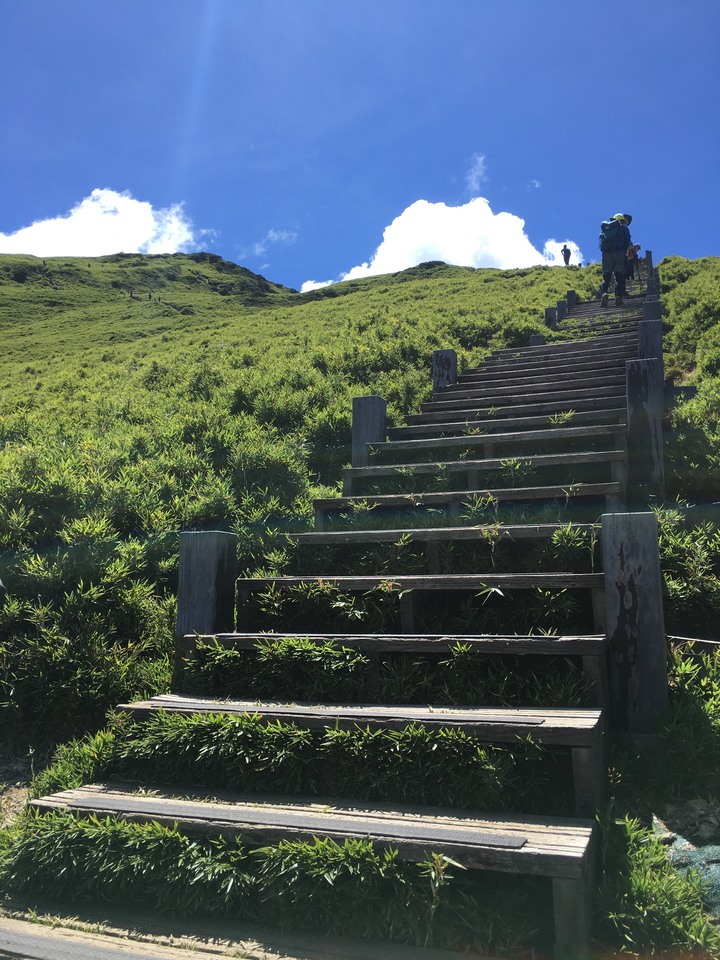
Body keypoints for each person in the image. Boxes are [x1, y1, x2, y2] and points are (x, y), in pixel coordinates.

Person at [599, 213, 632, 307]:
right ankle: (618, 297)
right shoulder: (625, 229)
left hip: (607, 255)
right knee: (620, 277)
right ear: (622, 220)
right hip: (620, 254)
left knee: (606, 277)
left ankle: (604, 293)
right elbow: (627, 243)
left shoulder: (607, 227)